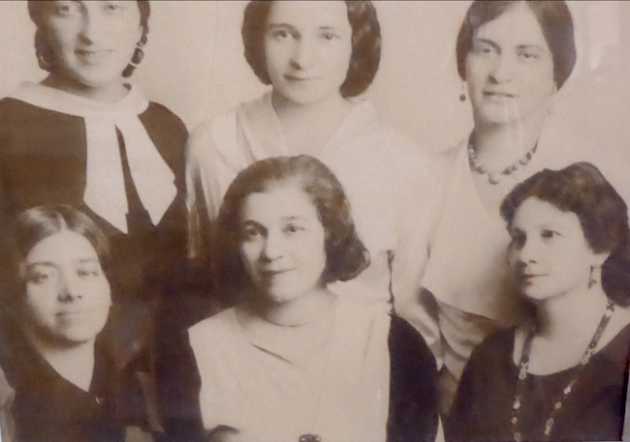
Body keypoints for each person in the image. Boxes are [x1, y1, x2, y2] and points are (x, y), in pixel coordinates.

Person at [417, 0, 630, 413]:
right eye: (486, 49)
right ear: (464, 63)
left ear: (557, 74)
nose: (501, 73)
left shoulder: (598, 180)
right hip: (456, 412)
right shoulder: (424, 177)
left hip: (582, 406)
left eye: (527, 54)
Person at [186, 1, 441, 327]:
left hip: (364, 363)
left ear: (356, 41)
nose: (303, 59)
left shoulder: (405, 162)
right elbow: (211, 283)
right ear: (258, 38)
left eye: (327, 36)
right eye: (283, 34)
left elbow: (414, 317)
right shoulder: (213, 145)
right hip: (242, 362)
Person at [167, 156, 439, 442]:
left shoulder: (393, 343)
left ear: (329, 234)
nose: (272, 251)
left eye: (292, 229)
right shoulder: (196, 351)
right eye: (254, 233)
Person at [0, 1, 188, 308]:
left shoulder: (168, 127)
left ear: (140, 24)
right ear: (41, 23)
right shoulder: (7, 126)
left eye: (112, 7)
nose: (92, 33)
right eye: (67, 9)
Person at [446, 162, 630, 442]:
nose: (526, 254)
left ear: (599, 249)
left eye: (549, 235)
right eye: (519, 238)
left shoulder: (624, 350)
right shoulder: (491, 358)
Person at [0, 205, 161, 442]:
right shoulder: (7, 400)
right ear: (16, 293)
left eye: (86, 272)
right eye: (43, 275)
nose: (72, 291)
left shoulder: (137, 388)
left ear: (108, 286)